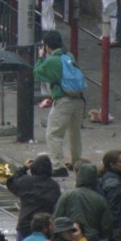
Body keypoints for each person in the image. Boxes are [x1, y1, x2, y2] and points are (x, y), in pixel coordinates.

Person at [33, 30, 83, 177]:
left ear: (46, 45)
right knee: (74, 133)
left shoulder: (51, 61)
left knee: (53, 134)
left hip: (63, 100)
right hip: (78, 99)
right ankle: (76, 162)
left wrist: (41, 57)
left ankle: (57, 165)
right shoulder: (69, 56)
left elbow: (37, 73)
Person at [54, 165, 113, 241]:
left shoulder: (67, 195)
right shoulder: (100, 199)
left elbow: (57, 216)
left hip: (68, 238)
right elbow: (106, 225)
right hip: (91, 240)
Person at [6, 155, 61, 241]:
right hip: (45, 228)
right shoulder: (54, 186)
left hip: (25, 227)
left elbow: (11, 183)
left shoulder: (26, 181)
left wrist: (23, 168)